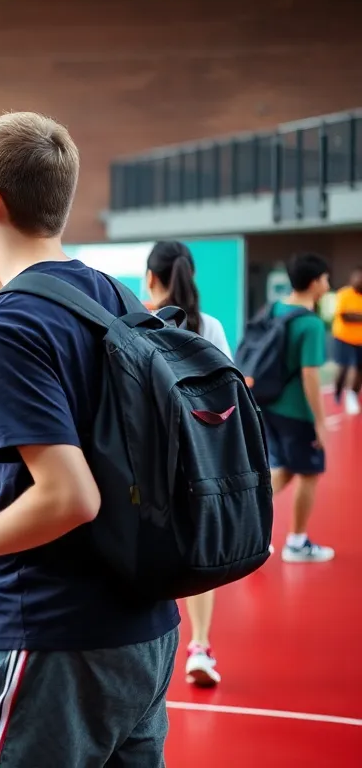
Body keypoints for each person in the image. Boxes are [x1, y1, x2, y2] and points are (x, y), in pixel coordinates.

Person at [0, 111, 179, 767]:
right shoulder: (115, 299)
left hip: (59, 633)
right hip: (146, 626)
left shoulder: (4, 321)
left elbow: (68, 496)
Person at [144, 240, 231, 688]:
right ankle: (199, 644)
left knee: (148, 552)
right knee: (200, 555)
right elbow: (229, 398)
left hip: (148, 465)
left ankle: (152, 652)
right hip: (201, 463)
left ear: (151, 279)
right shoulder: (209, 327)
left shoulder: (137, 325)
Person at [261, 253, 335, 564]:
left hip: (268, 405)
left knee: (287, 469)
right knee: (309, 472)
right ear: (316, 281)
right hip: (296, 412)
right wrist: (320, 421)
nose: (328, 285)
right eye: (326, 279)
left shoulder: (274, 309)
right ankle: (297, 541)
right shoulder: (310, 323)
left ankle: (249, 515)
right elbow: (310, 375)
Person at [330, 267, 362, 416]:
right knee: (343, 368)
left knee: (359, 370)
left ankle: (352, 394)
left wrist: (356, 315)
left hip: (360, 340)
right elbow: (345, 316)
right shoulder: (344, 294)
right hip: (344, 338)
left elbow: (353, 315)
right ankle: (336, 394)